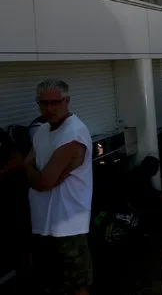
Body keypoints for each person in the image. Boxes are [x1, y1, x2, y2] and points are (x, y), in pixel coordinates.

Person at [25, 79, 94, 295]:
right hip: (43, 222)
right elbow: (35, 171)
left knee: (76, 284)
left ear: (67, 101)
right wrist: (29, 169)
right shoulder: (42, 131)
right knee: (52, 282)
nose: (50, 108)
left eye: (56, 102)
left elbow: (44, 182)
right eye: (44, 103)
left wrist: (24, 166)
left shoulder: (73, 134)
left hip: (68, 225)